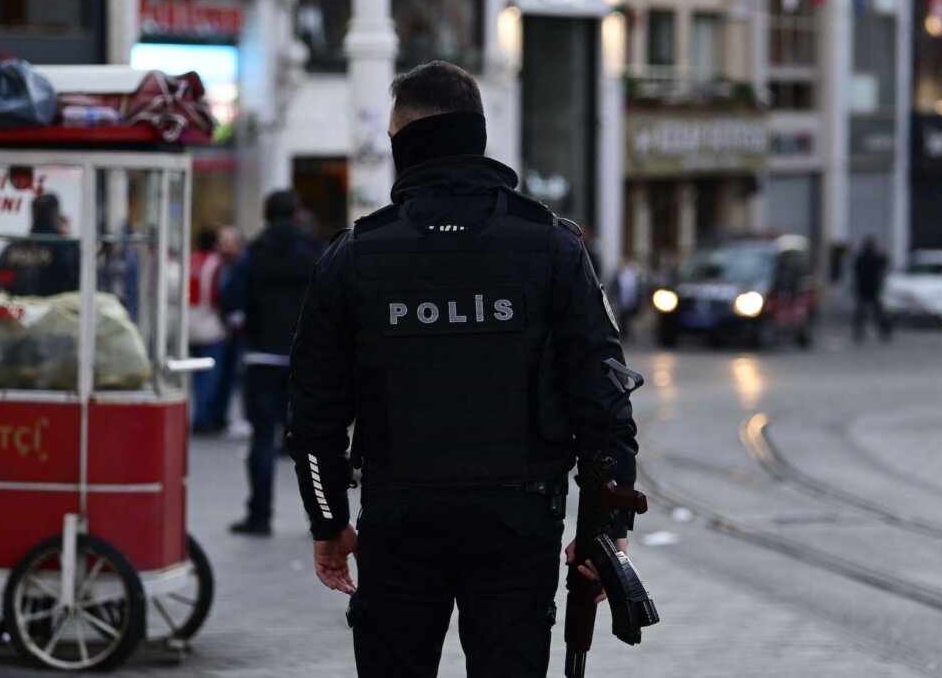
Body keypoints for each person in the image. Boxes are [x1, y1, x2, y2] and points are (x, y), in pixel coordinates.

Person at [286, 61, 638, 677]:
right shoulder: (552, 245)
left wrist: (329, 520)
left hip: (400, 516)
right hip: (518, 518)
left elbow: (313, 410)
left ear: (405, 143)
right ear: (476, 136)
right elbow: (602, 392)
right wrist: (607, 524)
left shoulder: (356, 254)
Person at [223, 191, 320, 535]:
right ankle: (320, 517)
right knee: (311, 441)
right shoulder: (314, 251)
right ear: (296, 214)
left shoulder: (253, 253)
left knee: (263, 438)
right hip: (306, 359)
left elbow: (232, 300)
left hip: (261, 356)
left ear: (265, 213)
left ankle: (260, 515)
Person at [0, 193, 80, 297]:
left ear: (32, 213)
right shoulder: (69, 249)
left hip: (20, 305)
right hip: (58, 306)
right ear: (56, 214)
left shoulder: (11, 249)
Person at [188, 228, 227, 434]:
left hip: (188, 321)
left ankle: (196, 414)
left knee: (193, 376)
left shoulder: (190, 259)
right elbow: (219, 294)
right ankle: (201, 418)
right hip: (209, 322)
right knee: (208, 376)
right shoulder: (215, 263)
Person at [209, 226, 245, 433]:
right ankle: (215, 415)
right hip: (217, 325)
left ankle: (222, 415)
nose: (224, 247)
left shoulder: (243, 265)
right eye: (221, 242)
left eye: (229, 242)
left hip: (237, 329)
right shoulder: (215, 265)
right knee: (220, 374)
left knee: (233, 373)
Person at [852, 236, 891, 342]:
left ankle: (882, 331)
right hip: (867, 289)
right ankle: (860, 332)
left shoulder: (865, 258)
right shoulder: (866, 259)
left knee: (872, 312)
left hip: (869, 289)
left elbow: (884, 263)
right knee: (865, 312)